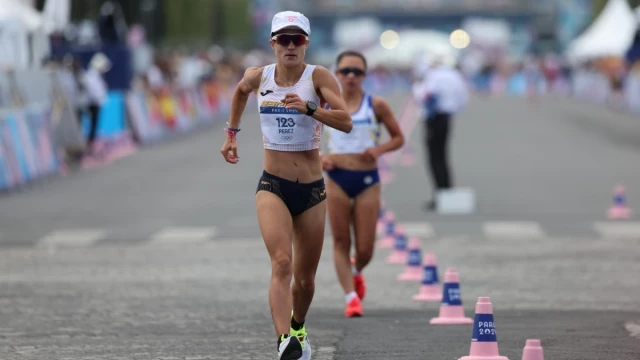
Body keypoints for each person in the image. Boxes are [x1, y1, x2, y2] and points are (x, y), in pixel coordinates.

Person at [219, 11, 352, 360]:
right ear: (273, 43)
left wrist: (311, 108)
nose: (290, 46)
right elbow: (239, 92)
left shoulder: (317, 77)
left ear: (306, 43)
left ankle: (297, 326)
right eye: (284, 39)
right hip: (272, 185)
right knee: (281, 263)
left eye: (298, 39)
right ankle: (285, 343)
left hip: (311, 191)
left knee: (305, 281)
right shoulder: (258, 76)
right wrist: (231, 134)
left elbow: (346, 121)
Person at [321, 50, 404, 317]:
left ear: (365, 75)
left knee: (366, 248)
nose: (351, 76)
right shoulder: (324, 104)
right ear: (337, 74)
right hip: (336, 178)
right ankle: (351, 298)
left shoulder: (376, 105)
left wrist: (378, 151)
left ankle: (356, 271)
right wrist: (320, 157)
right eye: (345, 71)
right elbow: (303, 140)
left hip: (367, 179)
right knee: (341, 241)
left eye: (357, 72)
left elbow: (398, 138)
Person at [412, 54, 468, 211]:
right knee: (443, 156)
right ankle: (446, 191)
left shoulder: (432, 76)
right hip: (447, 117)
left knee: (435, 158)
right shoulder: (454, 75)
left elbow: (425, 95)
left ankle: (441, 193)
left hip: (434, 117)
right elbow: (463, 97)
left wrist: (417, 86)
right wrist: (454, 110)